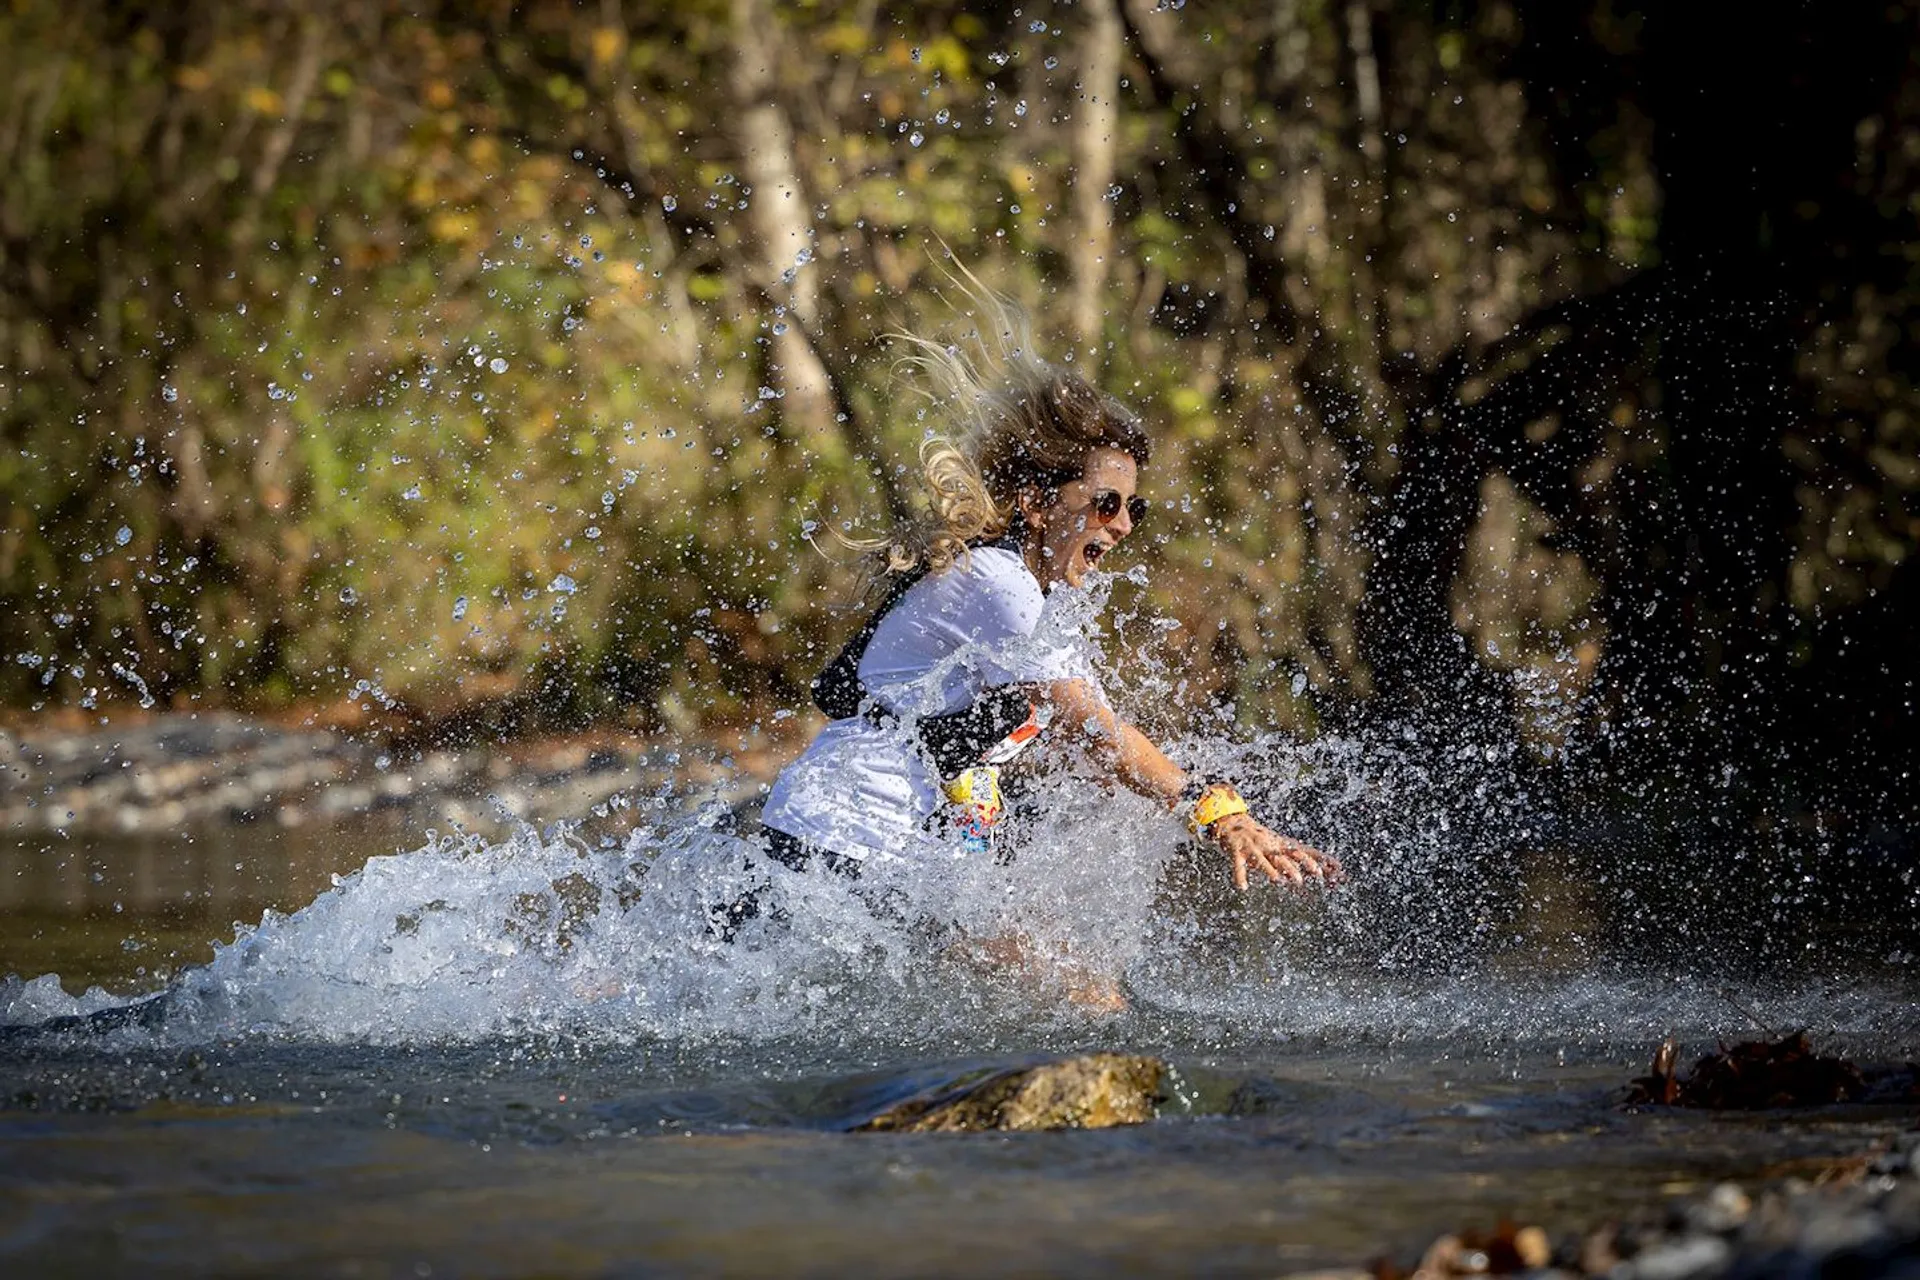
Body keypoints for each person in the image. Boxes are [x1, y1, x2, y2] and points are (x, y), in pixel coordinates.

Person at [754, 289, 1340, 913]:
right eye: (1104, 503)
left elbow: (1073, 745)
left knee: (1076, 989)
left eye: (1132, 509)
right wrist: (1219, 813)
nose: (1120, 526)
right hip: (836, 843)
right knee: (1075, 996)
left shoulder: (1027, 596)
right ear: (1036, 505)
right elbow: (1097, 730)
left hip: (889, 852)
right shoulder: (998, 581)